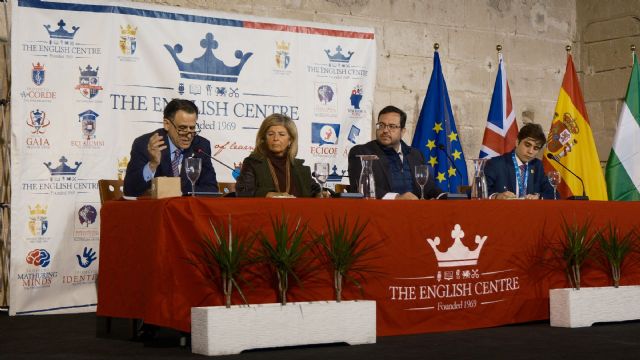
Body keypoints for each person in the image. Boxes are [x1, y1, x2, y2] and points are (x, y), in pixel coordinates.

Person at [123, 99, 218, 197]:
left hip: (188, 209)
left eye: (192, 128)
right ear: (167, 124)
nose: (189, 136)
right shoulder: (146, 144)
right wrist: (152, 164)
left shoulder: (201, 146)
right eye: (182, 128)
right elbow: (130, 191)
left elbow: (212, 190)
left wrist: (178, 193)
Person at [347, 105, 442, 199]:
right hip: (381, 211)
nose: (385, 130)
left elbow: (429, 187)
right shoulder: (362, 152)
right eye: (381, 125)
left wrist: (443, 196)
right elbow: (361, 188)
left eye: (392, 126)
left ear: (402, 131)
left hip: (417, 211)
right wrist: (397, 197)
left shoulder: (415, 154)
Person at [236, 113, 321, 198]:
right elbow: (243, 192)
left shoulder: (299, 167)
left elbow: (315, 190)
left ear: (290, 139)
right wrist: (268, 194)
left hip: (297, 211)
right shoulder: (252, 163)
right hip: (266, 210)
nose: (276, 138)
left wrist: (320, 194)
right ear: (264, 138)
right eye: (270, 134)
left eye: (281, 134)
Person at [484, 122, 555, 199]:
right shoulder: (496, 164)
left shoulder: (537, 165)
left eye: (536, 148)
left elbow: (554, 194)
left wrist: (539, 197)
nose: (530, 151)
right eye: (527, 145)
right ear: (517, 142)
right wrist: (497, 196)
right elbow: (479, 192)